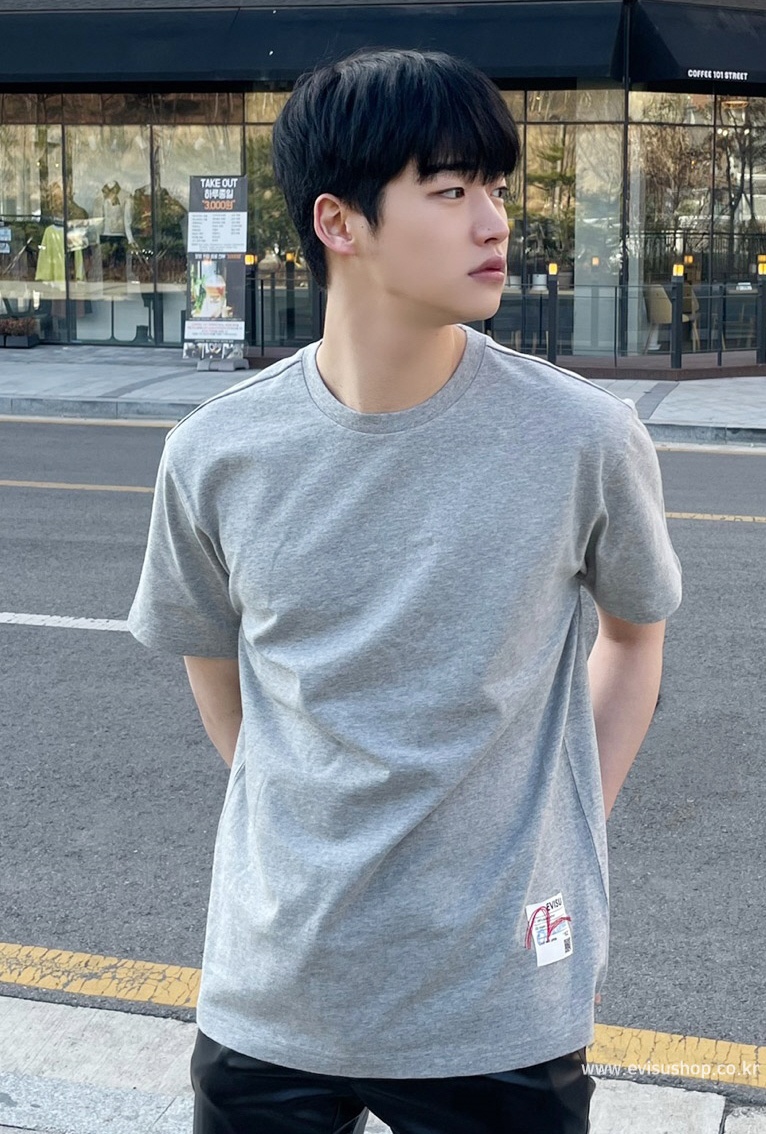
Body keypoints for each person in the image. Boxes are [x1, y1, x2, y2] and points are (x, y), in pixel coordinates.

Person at [127, 48, 682, 1134]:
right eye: (451, 190)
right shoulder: (216, 453)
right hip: (273, 992)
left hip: (497, 1005)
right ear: (340, 223)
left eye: (496, 189)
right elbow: (219, 674)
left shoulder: (583, 437)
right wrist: (309, 823)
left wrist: (563, 828)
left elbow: (632, 638)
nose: (495, 222)